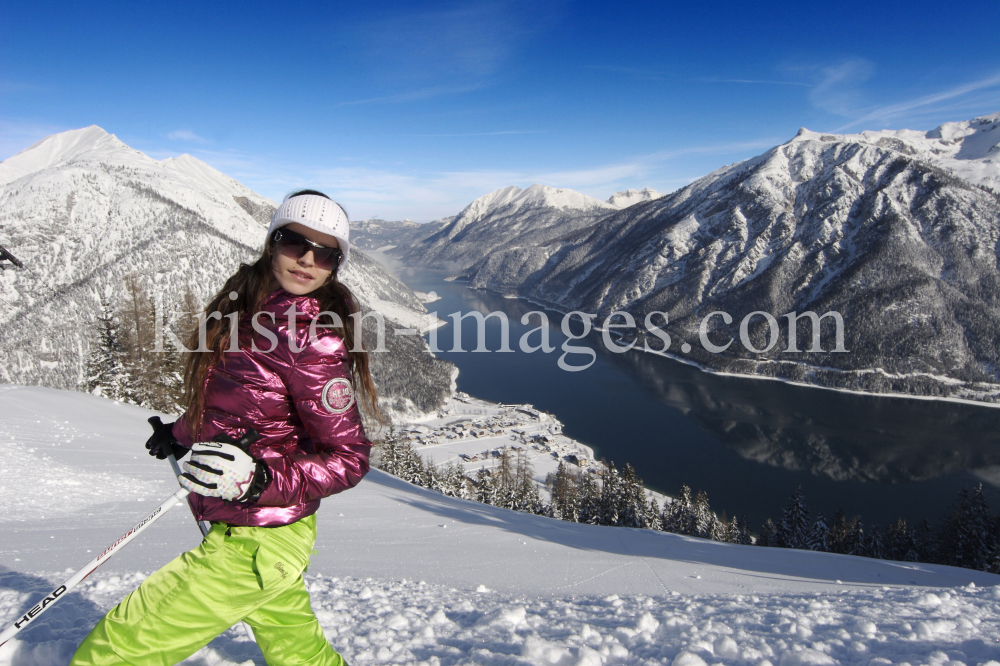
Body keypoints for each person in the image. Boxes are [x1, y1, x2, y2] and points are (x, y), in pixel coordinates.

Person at [70, 190, 380, 666]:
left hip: (259, 539)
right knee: (299, 653)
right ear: (272, 240)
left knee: (117, 650)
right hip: (257, 532)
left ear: (336, 263)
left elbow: (349, 458)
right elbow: (239, 414)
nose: (309, 259)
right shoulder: (248, 306)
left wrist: (259, 480)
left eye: (327, 252)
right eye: (296, 242)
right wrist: (180, 433)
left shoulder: (313, 338)